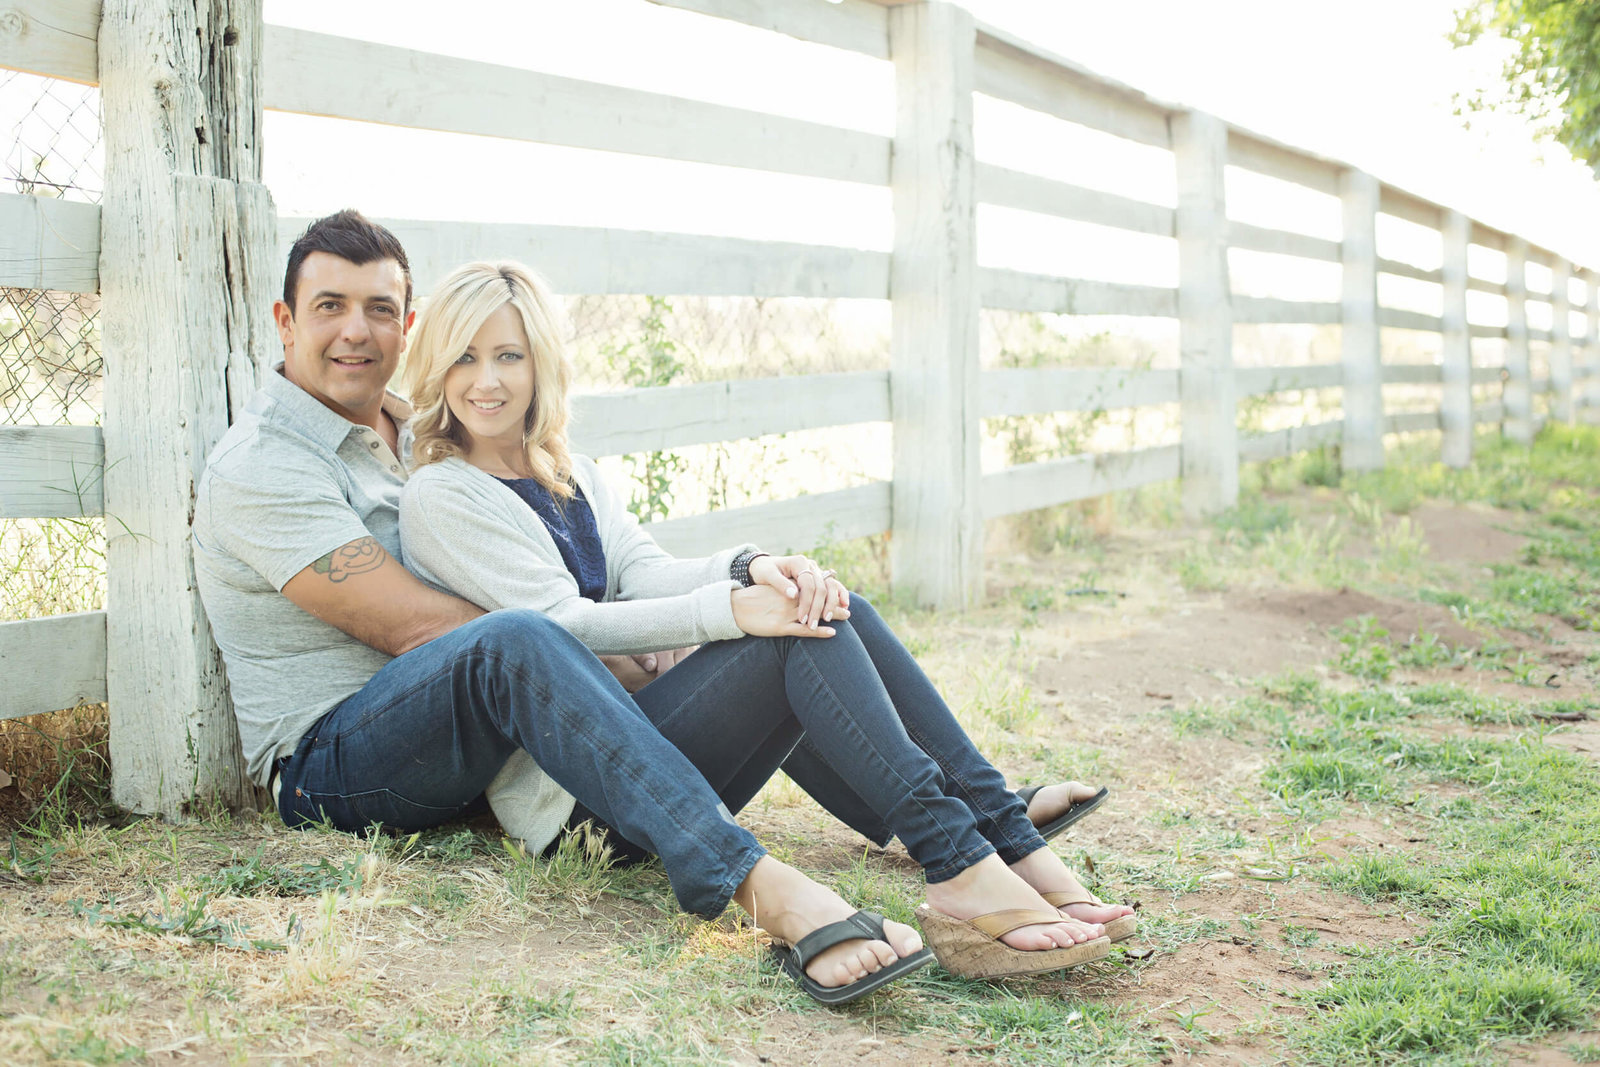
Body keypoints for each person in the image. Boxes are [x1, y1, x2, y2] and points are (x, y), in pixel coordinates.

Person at [192, 210, 946, 1004]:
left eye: (379, 309)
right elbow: (423, 627)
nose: (357, 330)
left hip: (470, 737)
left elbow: (575, 571)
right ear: (284, 321)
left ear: (409, 328)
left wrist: (696, 605)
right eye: (329, 306)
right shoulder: (263, 467)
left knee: (772, 629)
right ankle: (755, 883)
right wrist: (598, 651)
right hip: (334, 757)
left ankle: (949, 808)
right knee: (520, 638)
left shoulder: (415, 430)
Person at [395, 260, 1138, 981]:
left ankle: (1004, 837)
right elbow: (559, 626)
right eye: (463, 357)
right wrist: (727, 612)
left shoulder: (572, 472)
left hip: (649, 748)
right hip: (581, 799)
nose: (485, 380)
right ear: (436, 366)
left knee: (828, 607)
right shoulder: (443, 494)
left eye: (507, 355)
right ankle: (960, 861)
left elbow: (645, 569)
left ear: (540, 363)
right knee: (791, 639)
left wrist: (754, 568)